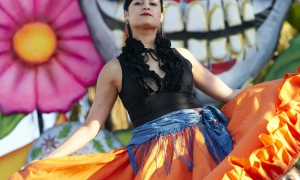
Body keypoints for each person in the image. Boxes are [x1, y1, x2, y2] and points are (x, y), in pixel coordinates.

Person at [10, 0, 300, 179]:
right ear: (126, 15)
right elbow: (91, 127)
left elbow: (229, 94)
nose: (146, 6)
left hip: (207, 145)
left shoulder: (183, 56)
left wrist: (286, 92)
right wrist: (48, 160)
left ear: (161, 15)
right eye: (138, 3)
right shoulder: (114, 68)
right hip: (157, 159)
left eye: (152, 3)